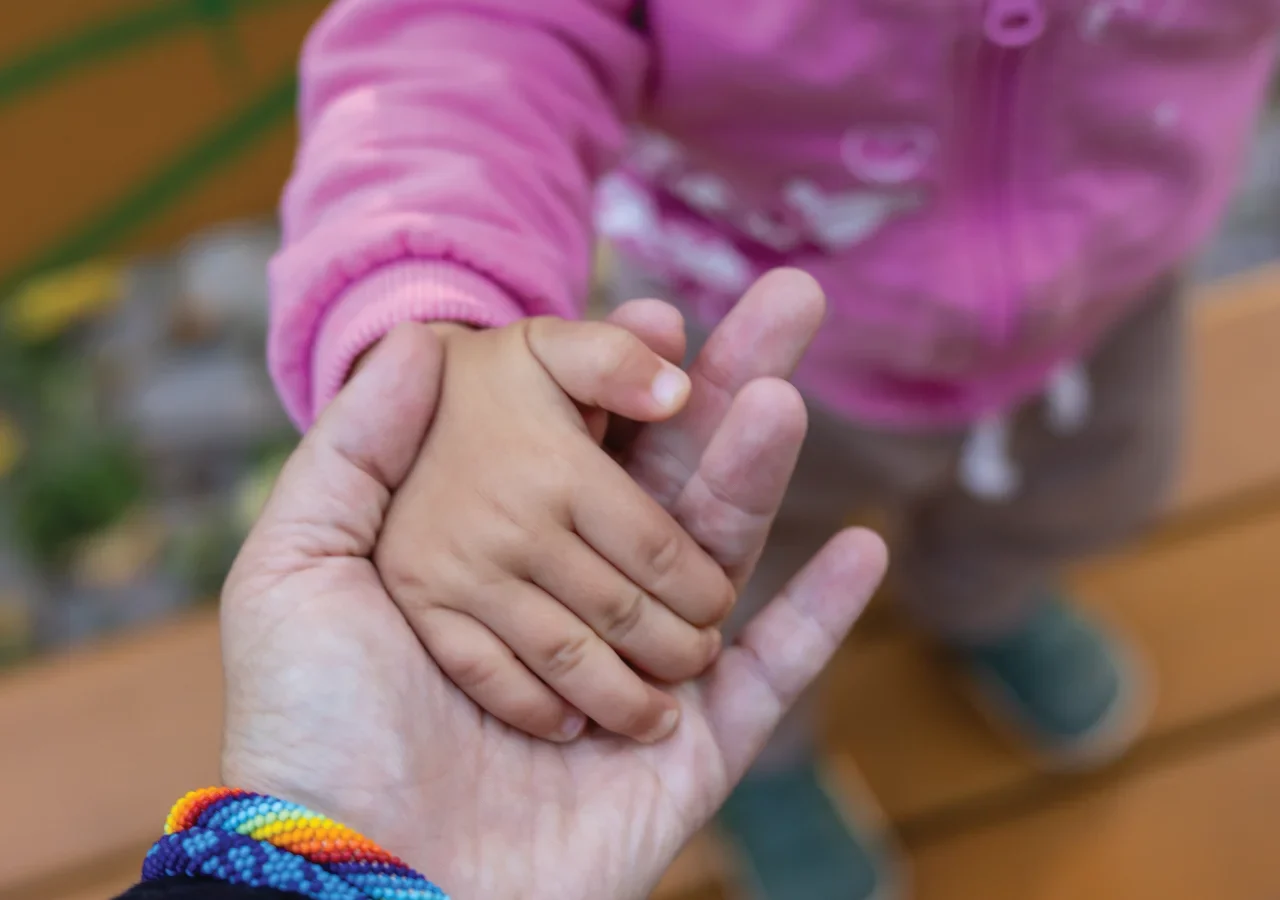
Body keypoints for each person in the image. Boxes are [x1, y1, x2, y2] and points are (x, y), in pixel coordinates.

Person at [264, 1, 1231, 895]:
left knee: (1070, 500)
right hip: (735, 329)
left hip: (1102, 310)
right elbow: (470, 33)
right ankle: (757, 758)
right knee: (704, 589)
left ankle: (984, 600)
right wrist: (438, 320)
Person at [117, 309, 888, 900]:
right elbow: (426, 149)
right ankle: (773, 776)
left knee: (942, 566)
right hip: (717, 369)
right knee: (714, 612)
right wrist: (454, 344)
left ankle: (963, 616)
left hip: (963, 433)